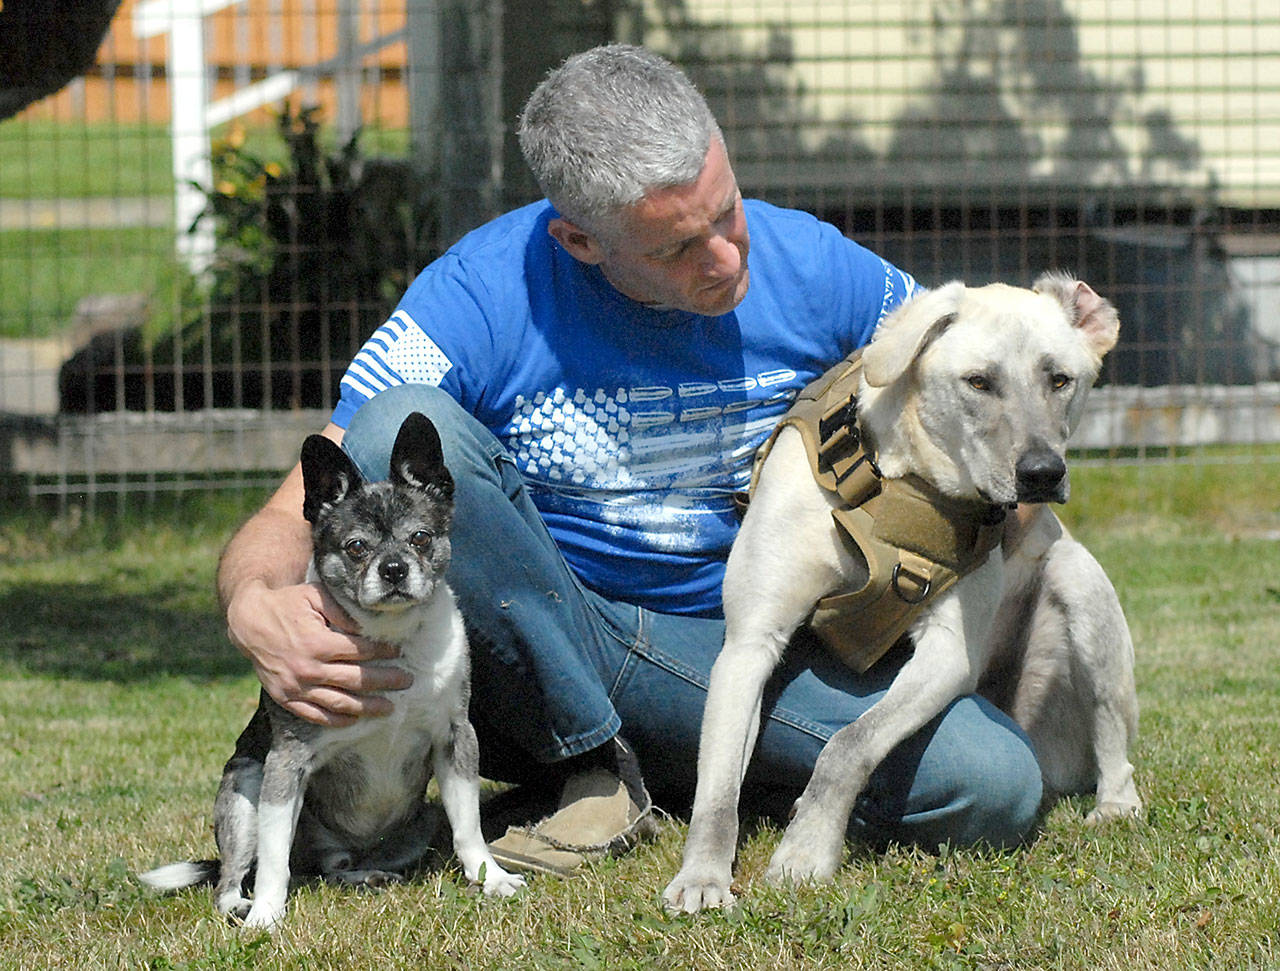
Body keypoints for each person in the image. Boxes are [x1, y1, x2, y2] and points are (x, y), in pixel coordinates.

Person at [217, 43, 1042, 875]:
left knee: (992, 785)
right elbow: (311, 491)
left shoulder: (817, 266)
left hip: (762, 640)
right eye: (678, 247)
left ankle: (652, 773)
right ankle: (597, 761)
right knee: (399, 421)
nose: (726, 258)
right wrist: (252, 601)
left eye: (726, 210)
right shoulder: (482, 292)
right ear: (579, 239)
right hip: (556, 638)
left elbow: (979, 391)